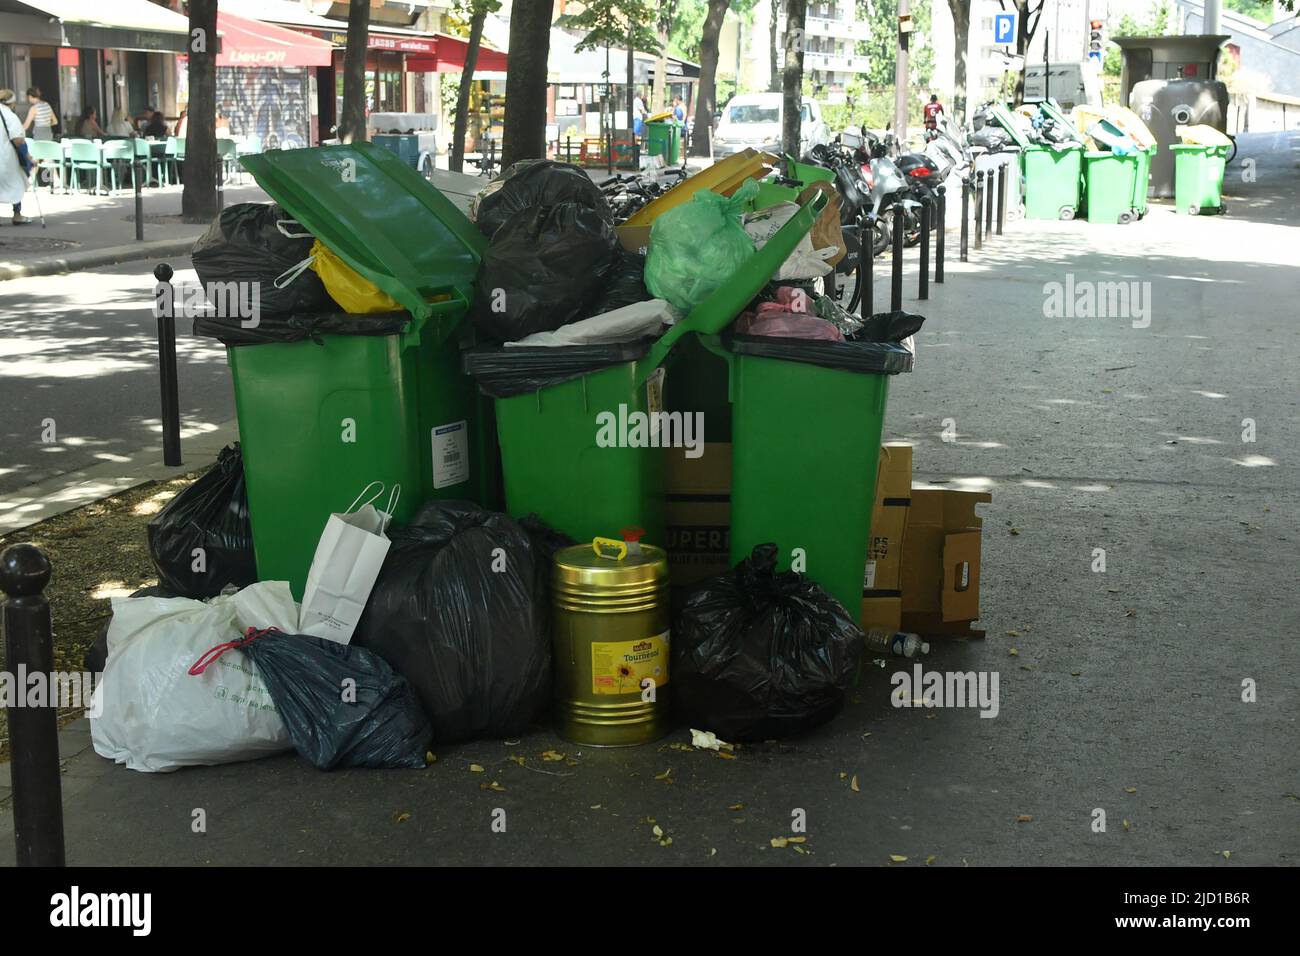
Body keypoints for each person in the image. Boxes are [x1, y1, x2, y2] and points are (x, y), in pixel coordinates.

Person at [0, 89, 34, 224]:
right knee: (16, 183)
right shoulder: (10, 116)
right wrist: (27, 156)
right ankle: (17, 214)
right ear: (12, 103)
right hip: (8, 157)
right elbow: (18, 140)